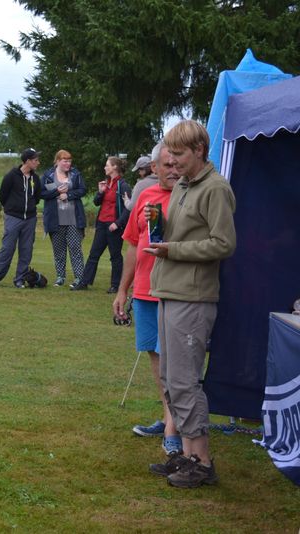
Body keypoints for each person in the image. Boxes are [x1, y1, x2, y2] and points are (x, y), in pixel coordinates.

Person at [145, 120, 236, 488]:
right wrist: (161, 223)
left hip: (194, 297)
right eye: (170, 154)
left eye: (179, 154)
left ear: (199, 150)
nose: (172, 162)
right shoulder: (182, 186)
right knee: (171, 378)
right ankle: (185, 455)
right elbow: (184, 234)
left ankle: (202, 462)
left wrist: (173, 249)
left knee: (185, 381)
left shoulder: (216, 188)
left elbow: (223, 244)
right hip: (170, 291)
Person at [113, 143, 181, 455]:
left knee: (175, 359)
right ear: (154, 168)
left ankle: (173, 426)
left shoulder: (189, 196)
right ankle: (170, 416)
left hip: (177, 290)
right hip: (143, 290)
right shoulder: (146, 197)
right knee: (156, 356)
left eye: (177, 162)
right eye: (166, 164)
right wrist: (122, 290)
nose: (173, 169)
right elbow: (131, 245)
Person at [73, 157, 132, 292]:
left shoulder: (123, 186)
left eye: (107, 165)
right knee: (94, 254)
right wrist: (100, 191)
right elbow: (96, 202)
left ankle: (115, 286)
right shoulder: (106, 183)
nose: (105, 168)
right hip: (101, 224)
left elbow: (129, 208)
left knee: (115, 256)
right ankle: (84, 282)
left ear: (115, 168)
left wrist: (117, 223)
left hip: (114, 227)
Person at [0, 148, 41, 288]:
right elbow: (2, 197)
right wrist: (12, 209)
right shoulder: (11, 176)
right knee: (7, 248)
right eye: (35, 160)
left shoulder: (35, 178)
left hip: (30, 219)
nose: (38, 163)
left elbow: (37, 197)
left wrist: (30, 208)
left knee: (26, 250)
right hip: (13, 218)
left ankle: (20, 279)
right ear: (27, 161)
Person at [40, 150, 87, 288]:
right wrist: (56, 192)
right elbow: (42, 193)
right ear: (58, 161)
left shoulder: (75, 174)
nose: (68, 163)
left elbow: (82, 190)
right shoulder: (48, 175)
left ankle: (79, 278)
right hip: (55, 219)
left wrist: (69, 195)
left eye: (69, 161)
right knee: (58, 250)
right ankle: (60, 276)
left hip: (73, 218)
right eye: (65, 161)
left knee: (75, 248)